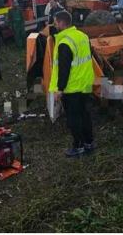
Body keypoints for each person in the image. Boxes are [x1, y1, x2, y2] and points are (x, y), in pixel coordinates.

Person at [49, 10, 95, 157]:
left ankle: (78, 146)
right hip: (86, 83)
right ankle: (89, 142)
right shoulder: (83, 36)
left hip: (72, 87)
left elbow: (64, 69)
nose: (54, 24)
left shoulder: (64, 43)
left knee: (74, 118)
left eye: (55, 22)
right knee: (85, 114)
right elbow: (89, 56)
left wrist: (59, 89)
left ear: (62, 23)